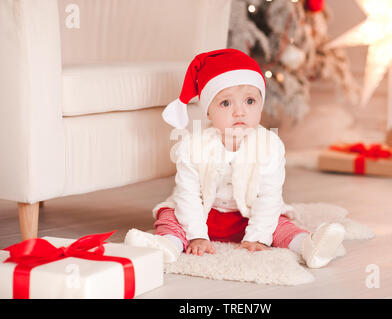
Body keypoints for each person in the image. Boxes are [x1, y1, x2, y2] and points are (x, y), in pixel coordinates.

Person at [124, 48, 345, 268]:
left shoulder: (269, 145)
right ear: (208, 112)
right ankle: (167, 246)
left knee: (278, 223)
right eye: (226, 103)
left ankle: (308, 247)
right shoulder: (193, 146)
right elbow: (188, 195)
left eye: (249, 101)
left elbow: (269, 195)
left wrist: (257, 236)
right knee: (171, 215)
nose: (240, 112)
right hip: (204, 214)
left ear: (260, 104)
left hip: (246, 216)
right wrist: (196, 235)